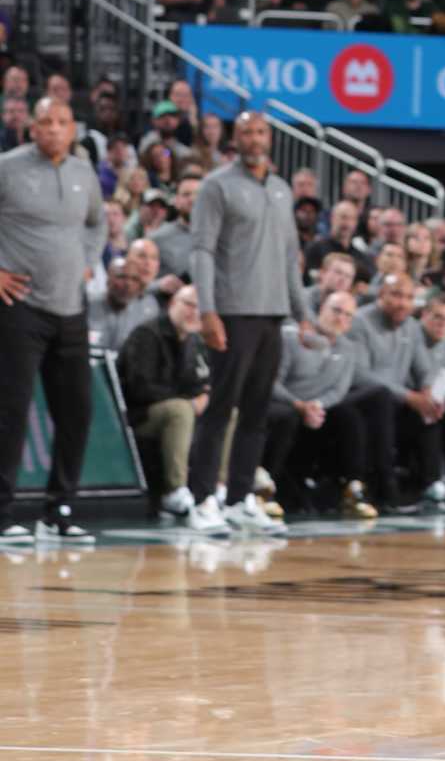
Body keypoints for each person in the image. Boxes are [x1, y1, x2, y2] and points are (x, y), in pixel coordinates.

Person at [184, 110, 308, 536]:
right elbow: (201, 250)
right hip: (232, 312)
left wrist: (303, 312)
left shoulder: (280, 189)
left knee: (256, 414)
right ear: (235, 140)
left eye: (261, 132)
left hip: (272, 313)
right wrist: (207, 310)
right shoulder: (216, 185)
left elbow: (291, 258)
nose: (255, 139)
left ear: (269, 138)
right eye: (247, 133)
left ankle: (238, 499)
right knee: (220, 411)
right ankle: (201, 499)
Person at [0, 96, 105, 544]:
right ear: (32, 127)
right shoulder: (7, 167)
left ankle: (59, 510)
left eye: (62, 122)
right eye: (46, 122)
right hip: (19, 307)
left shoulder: (84, 173)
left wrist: (89, 259)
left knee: (77, 412)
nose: (54, 129)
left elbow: (97, 224)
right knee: (10, 413)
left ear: (73, 128)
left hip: (71, 310)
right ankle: (3, 514)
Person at [348, 270, 445, 514]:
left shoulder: (411, 326)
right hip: (365, 401)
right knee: (382, 396)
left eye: (408, 297)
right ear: (381, 295)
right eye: (396, 295)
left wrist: (430, 392)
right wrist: (409, 396)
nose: (402, 303)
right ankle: (386, 491)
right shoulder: (360, 322)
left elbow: (423, 369)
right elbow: (360, 375)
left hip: (399, 404)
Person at [263, 290, 380, 520]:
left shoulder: (348, 348)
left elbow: (339, 390)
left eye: (347, 315)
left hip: (315, 410)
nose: (340, 318)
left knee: (350, 416)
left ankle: (352, 487)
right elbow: (272, 382)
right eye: (336, 310)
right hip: (282, 405)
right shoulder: (291, 337)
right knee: (287, 417)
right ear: (320, 310)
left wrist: (316, 406)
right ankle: (266, 489)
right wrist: (299, 405)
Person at [117, 280, 210, 519]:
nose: (194, 313)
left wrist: (204, 396)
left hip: (174, 411)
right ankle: (174, 491)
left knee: (227, 412)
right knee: (181, 409)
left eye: (200, 308)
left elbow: (201, 382)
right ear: (172, 303)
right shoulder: (147, 334)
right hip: (139, 416)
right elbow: (140, 388)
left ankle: (218, 487)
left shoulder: (194, 341)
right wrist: (189, 401)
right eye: (189, 305)